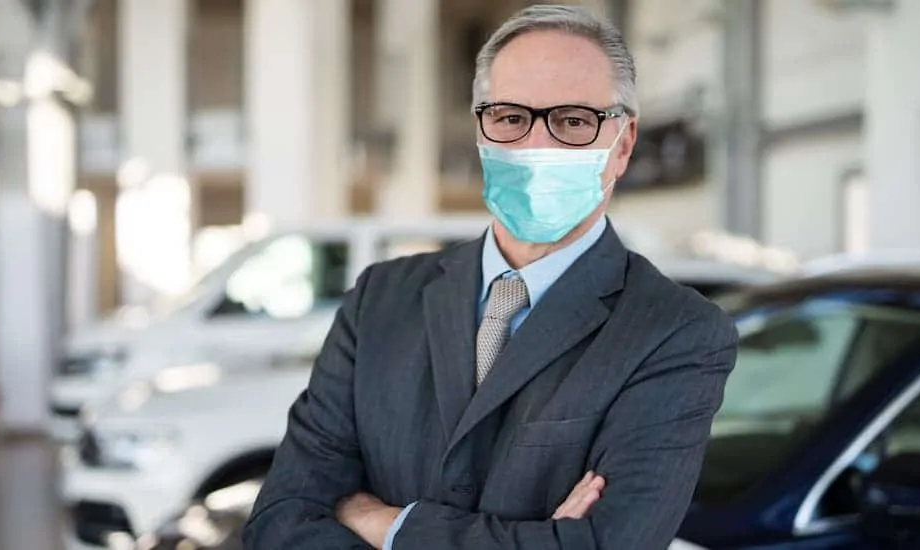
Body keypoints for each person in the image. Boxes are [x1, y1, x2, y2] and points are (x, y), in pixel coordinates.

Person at [242, 5, 737, 549]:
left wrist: (384, 523)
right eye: (510, 118)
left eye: (573, 121)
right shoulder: (379, 300)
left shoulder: (675, 332)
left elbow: (608, 543)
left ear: (622, 144)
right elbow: (282, 518)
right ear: (482, 130)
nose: (535, 146)